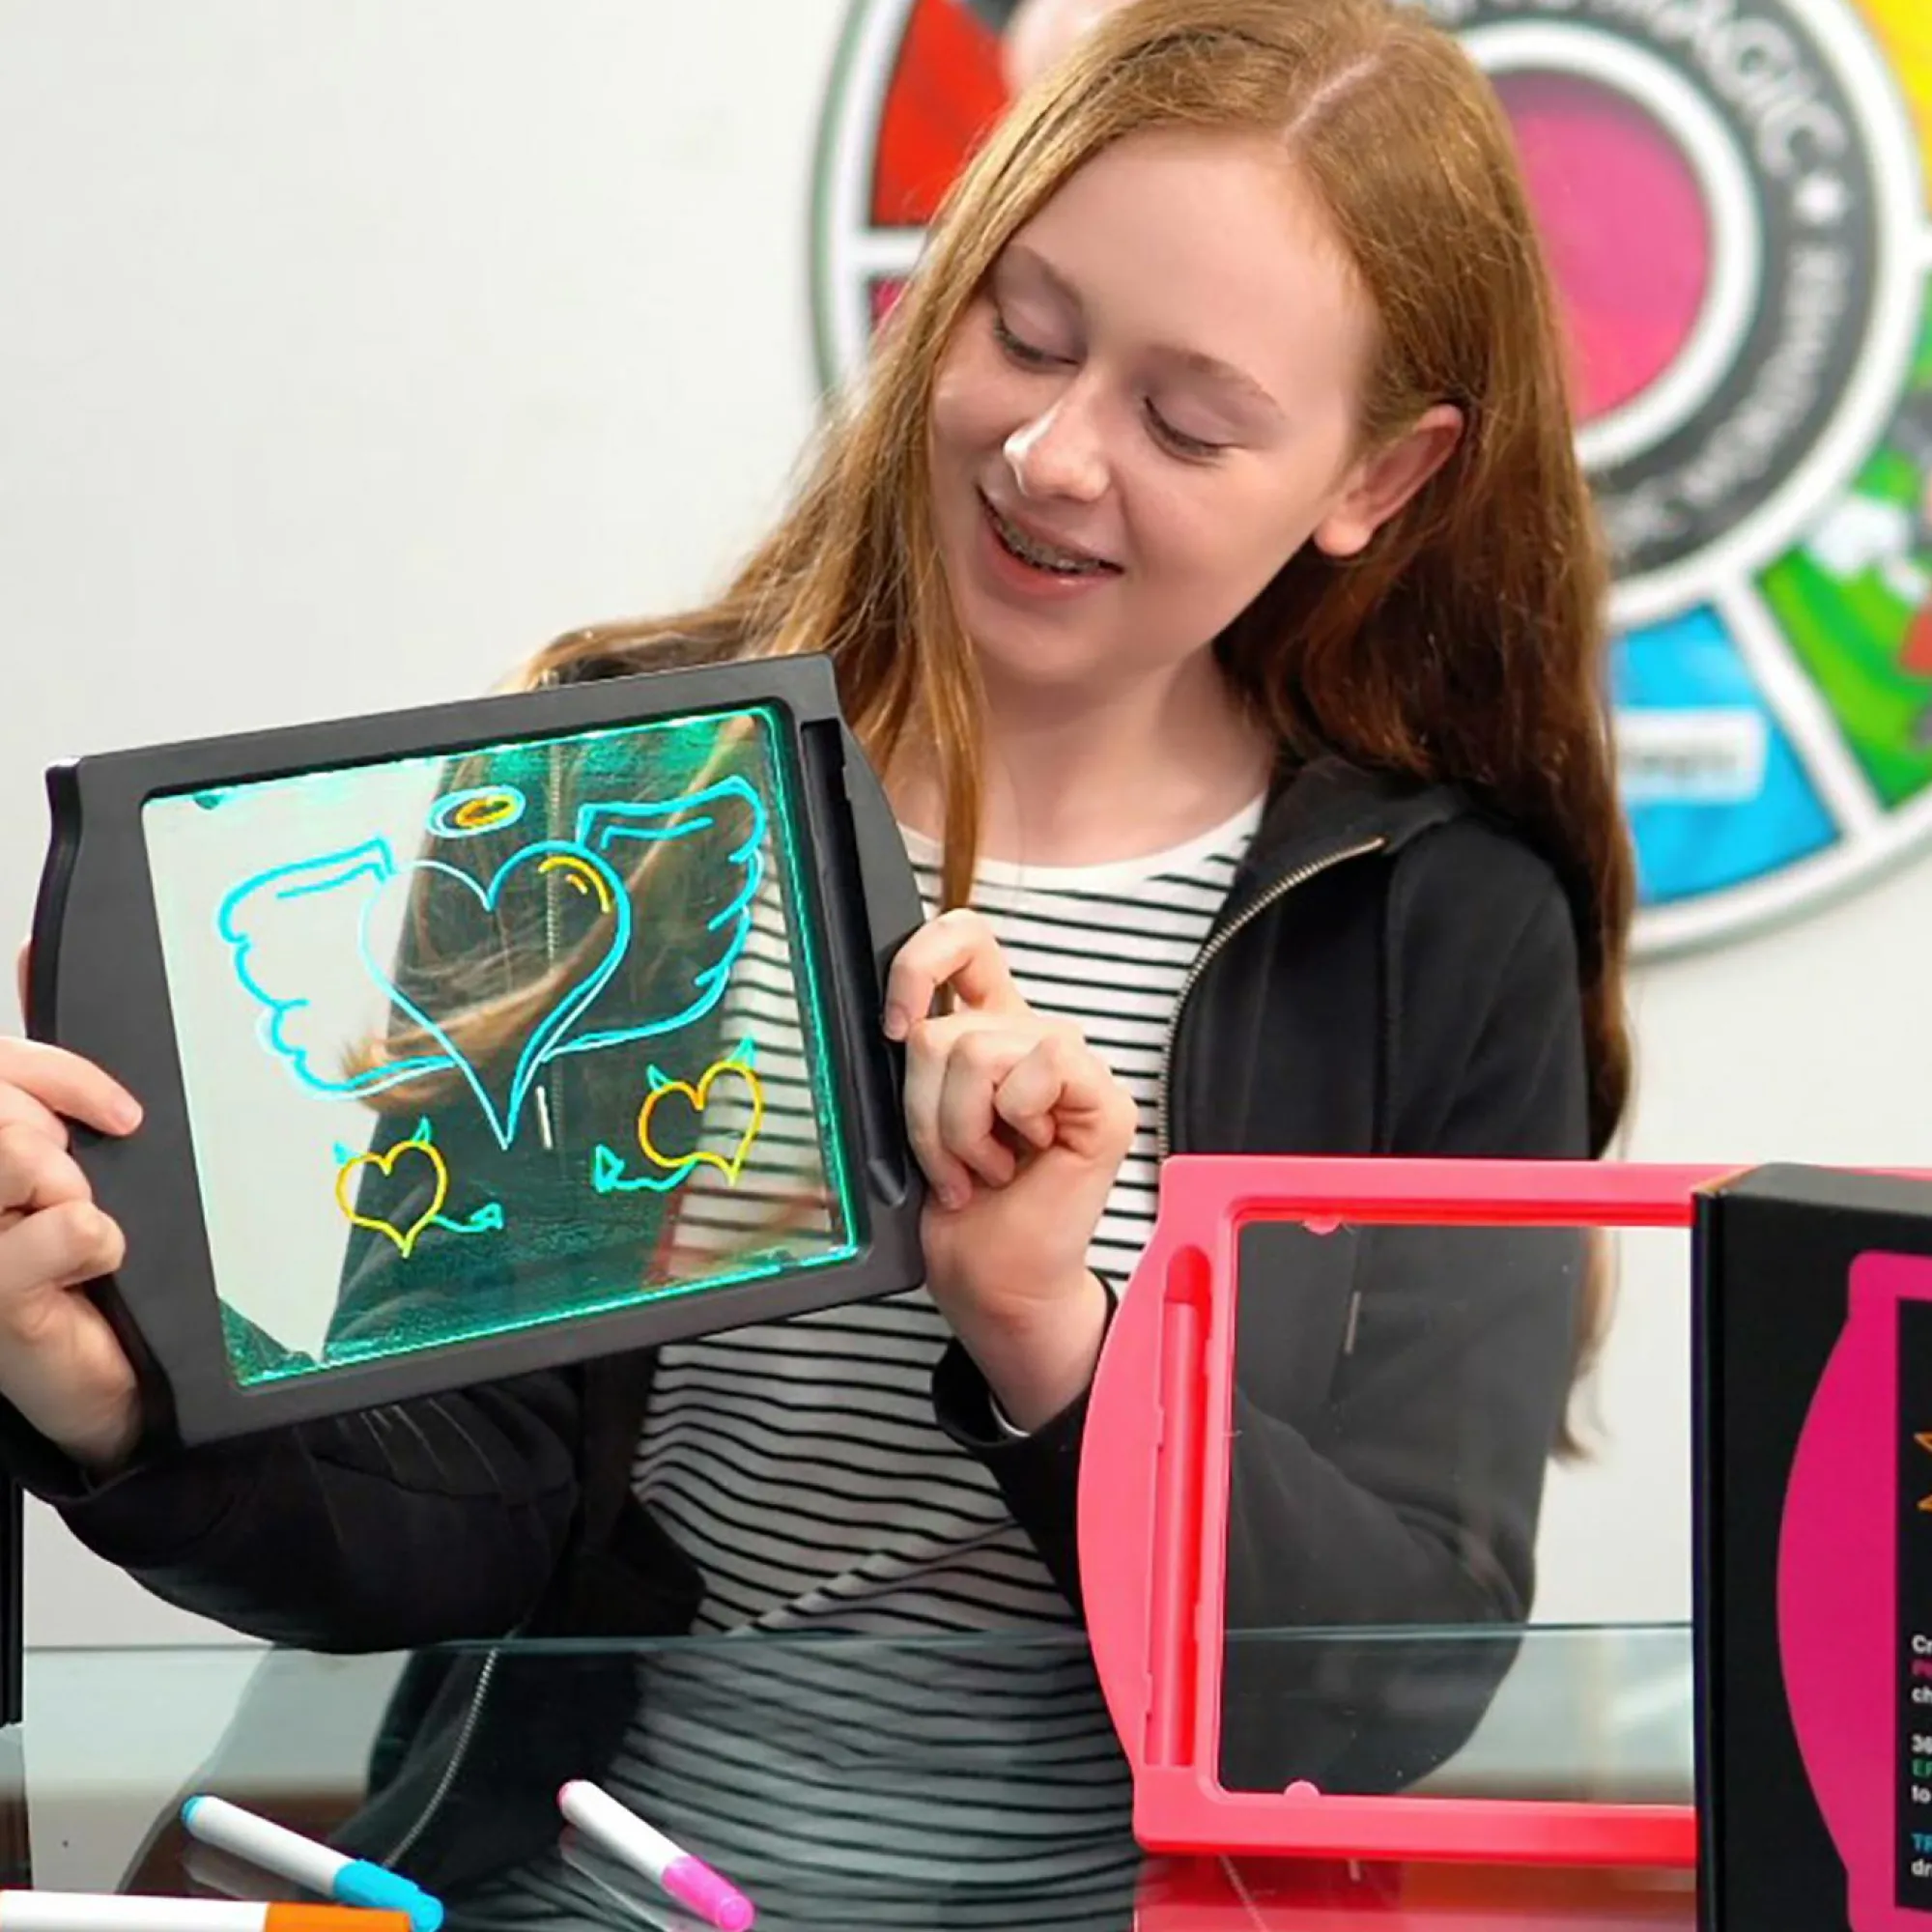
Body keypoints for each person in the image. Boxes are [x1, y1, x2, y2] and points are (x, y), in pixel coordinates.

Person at [0, 0, 1633, 1902]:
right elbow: (460, 1515)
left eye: (1188, 423)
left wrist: (1049, 1337)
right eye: (1025, 331)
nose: (1050, 453)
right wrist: (108, 1393)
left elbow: (1385, 1680)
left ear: (1378, 481)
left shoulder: (1438, 930)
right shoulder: (625, 789)